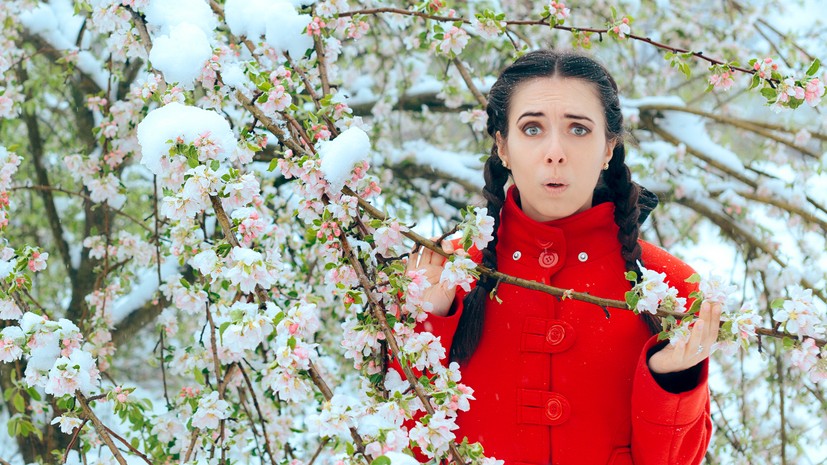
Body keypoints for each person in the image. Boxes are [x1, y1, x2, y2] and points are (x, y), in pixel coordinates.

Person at [405, 50, 722, 465]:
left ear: (608, 147)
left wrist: (671, 380)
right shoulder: (446, 273)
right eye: (532, 128)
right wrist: (428, 320)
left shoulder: (669, 288)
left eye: (578, 129)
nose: (555, 151)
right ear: (503, 146)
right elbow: (411, 445)